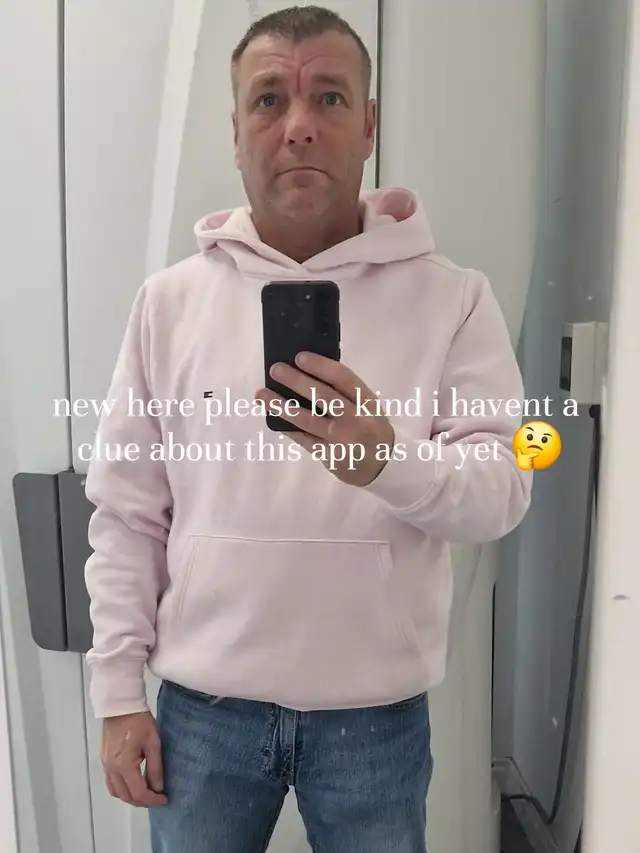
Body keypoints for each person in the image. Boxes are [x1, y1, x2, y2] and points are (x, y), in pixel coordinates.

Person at [83, 6, 533, 852]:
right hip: (200, 714)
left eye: (329, 97)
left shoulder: (454, 299)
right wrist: (116, 693)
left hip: (375, 718)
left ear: (369, 124)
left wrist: (388, 462)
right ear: (236, 131)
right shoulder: (169, 304)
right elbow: (127, 511)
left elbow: (503, 491)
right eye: (268, 100)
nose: (297, 125)